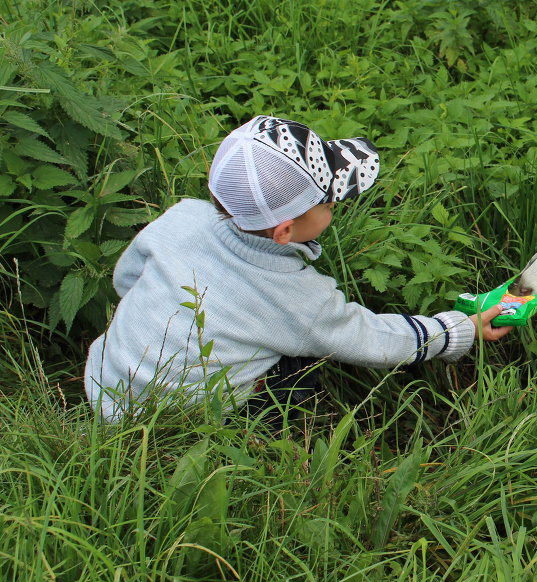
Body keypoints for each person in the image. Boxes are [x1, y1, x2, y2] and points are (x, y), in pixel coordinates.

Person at [84, 115, 511, 422]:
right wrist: (460, 329)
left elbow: (127, 280)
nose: (334, 209)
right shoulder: (294, 297)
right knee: (300, 365)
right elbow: (371, 340)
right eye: (327, 203)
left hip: (106, 386)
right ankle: (257, 433)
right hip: (181, 420)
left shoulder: (182, 217)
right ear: (286, 231)